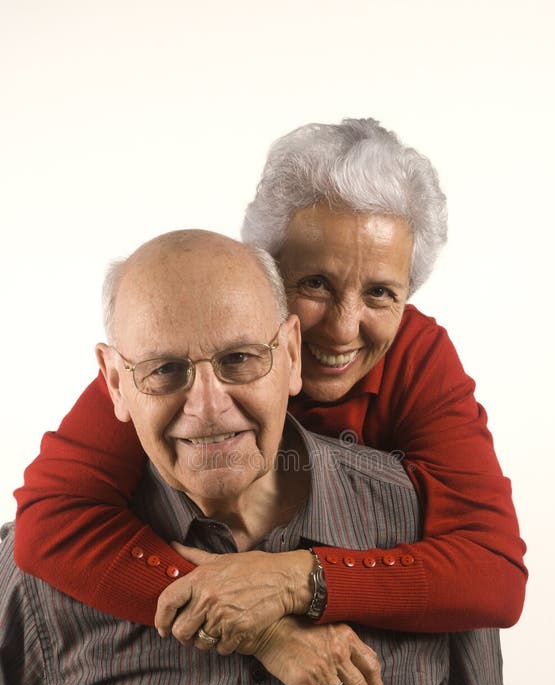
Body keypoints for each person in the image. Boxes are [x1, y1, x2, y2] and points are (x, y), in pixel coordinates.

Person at [0, 230, 503, 685]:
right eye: (164, 370)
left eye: (241, 359)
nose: (208, 408)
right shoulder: (42, 561)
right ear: (114, 383)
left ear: (293, 356)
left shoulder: (416, 530)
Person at [13, 118, 527, 646]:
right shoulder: (181, 357)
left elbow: (492, 573)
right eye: (315, 283)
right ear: (265, 273)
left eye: (380, 293)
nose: (344, 328)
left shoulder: (417, 357)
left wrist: (297, 581)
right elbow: (50, 524)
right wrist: (265, 633)